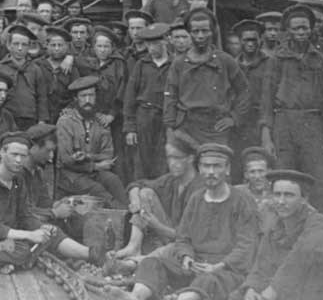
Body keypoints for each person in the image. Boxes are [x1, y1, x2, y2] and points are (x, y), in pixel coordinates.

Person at [0, 133, 105, 273]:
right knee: (24, 250)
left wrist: (41, 228)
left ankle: (92, 255)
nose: (19, 160)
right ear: (2, 153)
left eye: (23, 156)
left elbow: (25, 215)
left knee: (49, 232)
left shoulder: (17, 180)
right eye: (14, 154)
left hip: (3, 236)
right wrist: (30, 235)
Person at [126, 143, 258, 300]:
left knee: (207, 281)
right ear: (199, 168)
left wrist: (219, 266)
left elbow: (246, 247)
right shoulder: (197, 199)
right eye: (206, 166)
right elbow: (183, 238)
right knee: (151, 263)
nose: (210, 172)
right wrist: (186, 256)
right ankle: (135, 296)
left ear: (227, 169)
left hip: (225, 270)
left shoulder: (242, 201)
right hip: (194, 265)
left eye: (217, 166)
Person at [259, 4, 323, 219]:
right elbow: (266, 98)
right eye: (295, 29)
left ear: (311, 29)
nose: (301, 32)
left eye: (304, 28)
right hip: (284, 123)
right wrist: (267, 134)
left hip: (313, 123)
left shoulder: (319, 59)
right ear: (288, 31)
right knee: (285, 180)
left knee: (321, 181)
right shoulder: (277, 59)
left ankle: (322, 234)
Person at [231, 169, 323, 300]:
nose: (281, 201)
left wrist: (274, 289)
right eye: (277, 194)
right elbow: (261, 265)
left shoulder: (318, 222)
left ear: (304, 199)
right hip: (286, 287)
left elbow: (304, 254)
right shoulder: (274, 226)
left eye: (289, 195)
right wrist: (252, 288)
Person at [111, 130, 203, 260]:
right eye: (168, 157)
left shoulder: (200, 189)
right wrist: (135, 197)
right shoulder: (171, 180)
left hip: (186, 247)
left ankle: (139, 260)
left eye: (176, 158)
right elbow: (138, 184)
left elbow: (192, 238)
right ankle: (133, 247)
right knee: (145, 192)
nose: (171, 163)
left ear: (190, 158)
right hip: (168, 239)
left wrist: (158, 226)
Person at [163, 9, 250, 145]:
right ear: (189, 33)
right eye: (195, 31)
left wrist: (234, 117)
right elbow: (170, 96)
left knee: (214, 165)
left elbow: (244, 91)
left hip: (216, 130)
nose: (200, 36)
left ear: (212, 31)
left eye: (205, 31)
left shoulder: (225, 61)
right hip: (186, 128)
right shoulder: (179, 64)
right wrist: (170, 128)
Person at [56, 76, 128, 208]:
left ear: (96, 97)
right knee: (100, 192)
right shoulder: (65, 122)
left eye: (91, 95)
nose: (88, 101)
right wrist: (95, 166)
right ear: (75, 99)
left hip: (94, 173)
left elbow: (108, 154)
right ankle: (125, 218)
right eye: (83, 96)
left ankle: (128, 218)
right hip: (71, 176)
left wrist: (88, 157)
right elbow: (66, 160)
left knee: (114, 181)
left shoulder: (101, 122)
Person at [77, 26, 129, 182]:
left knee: (115, 151)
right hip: (93, 116)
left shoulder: (119, 64)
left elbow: (122, 90)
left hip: (114, 117)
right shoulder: (87, 64)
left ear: (112, 48)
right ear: (94, 47)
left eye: (106, 46)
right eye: (99, 46)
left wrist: (112, 115)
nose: (102, 50)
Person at [123, 23, 172, 180]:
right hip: (144, 117)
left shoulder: (175, 64)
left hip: (167, 118)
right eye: (149, 44)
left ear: (164, 42)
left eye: (155, 44)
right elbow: (130, 97)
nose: (151, 48)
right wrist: (130, 127)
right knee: (142, 160)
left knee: (165, 159)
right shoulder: (141, 65)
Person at [0, 25, 50, 129]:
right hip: (6, 119)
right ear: (9, 45)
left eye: (24, 45)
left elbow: (42, 97)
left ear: (29, 47)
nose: (20, 48)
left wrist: (42, 120)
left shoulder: (35, 69)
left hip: (31, 119)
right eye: (16, 44)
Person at [232, 19, 269, 157]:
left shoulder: (270, 64)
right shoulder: (232, 65)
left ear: (260, 40)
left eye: (254, 40)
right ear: (240, 41)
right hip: (239, 123)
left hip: (261, 120)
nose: (250, 44)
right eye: (246, 40)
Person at [37, 26, 80, 122]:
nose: (56, 49)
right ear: (46, 45)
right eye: (53, 45)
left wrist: (70, 107)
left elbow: (77, 93)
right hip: (41, 113)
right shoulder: (38, 65)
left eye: (60, 45)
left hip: (64, 113)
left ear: (67, 46)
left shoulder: (72, 68)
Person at [233, 147, 276, 234]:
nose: (257, 177)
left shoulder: (278, 193)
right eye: (252, 172)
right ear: (246, 175)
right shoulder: (236, 193)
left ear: (269, 172)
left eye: (261, 171)